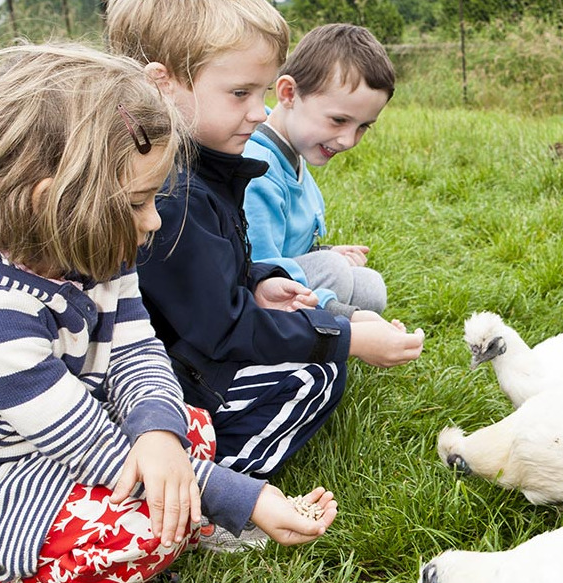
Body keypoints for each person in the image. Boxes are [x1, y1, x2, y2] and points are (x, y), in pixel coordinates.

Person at [0, 43, 337, 583]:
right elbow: (90, 447)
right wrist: (244, 498)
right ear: (51, 202)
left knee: (183, 428)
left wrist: (155, 433)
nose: (153, 222)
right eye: (139, 203)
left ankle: (184, 514)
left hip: (42, 457)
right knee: (142, 536)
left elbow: (137, 352)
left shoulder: (93, 251)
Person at [105, 0, 424, 514]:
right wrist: (346, 337)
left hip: (182, 361)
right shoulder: (174, 196)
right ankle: (216, 493)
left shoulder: (203, 166)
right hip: (167, 382)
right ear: (163, 85)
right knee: (313, 377)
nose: (258, 111)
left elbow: (219, 274)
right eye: (240, 93)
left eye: (260, 91)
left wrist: (260, 280)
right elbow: (222, 329)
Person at [243, 24, 395, 319]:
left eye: (363, 126)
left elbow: (287, 240)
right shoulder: (258, 168)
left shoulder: (293, 148)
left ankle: (324, 323)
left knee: (370, 287)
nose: (348, 140)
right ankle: (315, 335)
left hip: (285, 272)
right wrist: (345, 313)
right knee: (333, 271)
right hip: (260, 289)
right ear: (288, 93)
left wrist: (323, 249)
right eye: (338, 120)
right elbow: (258, 267)